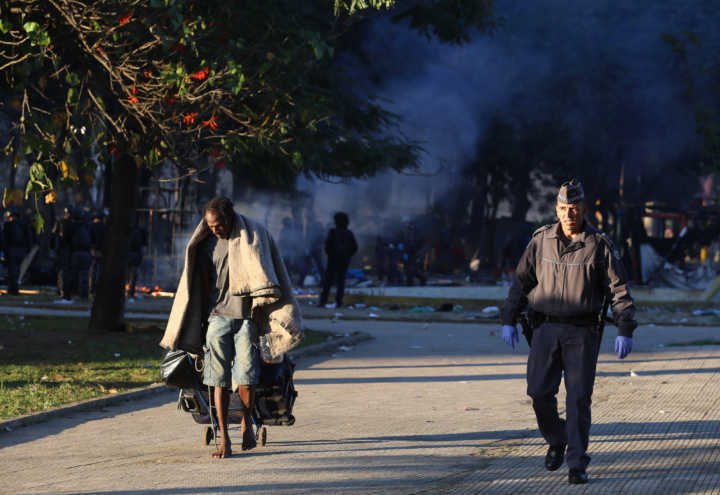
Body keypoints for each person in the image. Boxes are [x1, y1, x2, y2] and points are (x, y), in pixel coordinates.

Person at [499, 179, 637, 485]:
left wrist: (624, 327)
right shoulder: (541, 241)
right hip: (545, 328)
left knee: (578, 399)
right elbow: (521, 282)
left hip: (582, 331)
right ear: (556, 209)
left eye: (574, 208)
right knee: (537, 392)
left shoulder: (599, 245)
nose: (568, 214)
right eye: (563, 208)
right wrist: (508, 317)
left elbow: (619, 290)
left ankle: (577, 463)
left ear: (584, 209)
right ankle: (557, 438)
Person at [160, 196, 302, 459]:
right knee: (217, 381)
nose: (215, 230)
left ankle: (247, 422)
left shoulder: (252, 237)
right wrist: (199, 321)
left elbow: (268, 272)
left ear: (229, 218)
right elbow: (199, 284)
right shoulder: (205, 244)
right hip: (217, 319)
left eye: (218, 226)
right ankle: (224, 437)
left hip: (246, 319)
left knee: (247, 379)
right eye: (211, 226)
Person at [319, 212, 358, 308]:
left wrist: (330, 254)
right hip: (343, 261)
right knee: (340, 282)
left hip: (332, 260)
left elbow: (327, 246)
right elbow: (355, 247)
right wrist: (347, 256)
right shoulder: (349, 233)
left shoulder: (332, 232)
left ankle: (323, 301)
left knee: (328, 281)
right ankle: (338, 302)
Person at [2, 210, 31, 295]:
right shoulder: (24, 225)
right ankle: (15, 288)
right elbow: (28, 238)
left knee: (12, 271)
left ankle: (12, 289)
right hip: (21, 250)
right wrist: (27, 249)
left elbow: (4, 239)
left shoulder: (8, 225)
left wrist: (5, 250)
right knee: (18, 270)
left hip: (11, 250)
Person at [52, 207, 76, 301]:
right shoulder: (74, 224)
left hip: (63, 250)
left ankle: (62, 291)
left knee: (62, 272)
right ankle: (67, 291)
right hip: (70, 250)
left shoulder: (60, 222)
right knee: (68, 272)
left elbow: (54, 235)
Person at [126, 220, 147, 298]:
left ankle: (129, 291)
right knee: (133, 274)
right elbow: (144, 244)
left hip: (129, 253)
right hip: (135, 254)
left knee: (129, 274)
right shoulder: (140, 230)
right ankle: (130, 292)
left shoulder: (127, 230)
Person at [88, 211, 106, 297]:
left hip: (93, 250)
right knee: (100, 270)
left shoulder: (91, 226)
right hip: (102, 250)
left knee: (92, 270)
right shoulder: (105, 227)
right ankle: (99, 288)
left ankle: (91, 288)